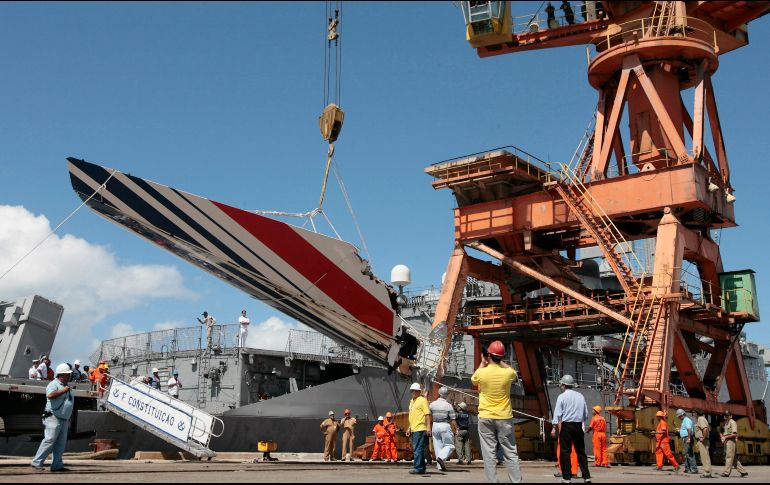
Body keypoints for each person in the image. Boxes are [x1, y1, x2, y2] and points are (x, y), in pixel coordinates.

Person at [470, 340, 523, 483]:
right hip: (504, 417)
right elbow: (513, 372)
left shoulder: (481, 372)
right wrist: (500, 361)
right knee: (510, 452)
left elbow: (474, 380)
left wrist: (483, 362)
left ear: (488, 355)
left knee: (489, 454)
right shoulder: (508, 373)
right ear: (502, 357)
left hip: (485, 416)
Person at [30, 363, 74, 472]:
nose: (69, 376)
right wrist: (64, 391)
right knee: (49, 440)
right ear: (61, 375)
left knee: (60, 443)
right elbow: (50, 395)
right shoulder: (53, 384)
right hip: (53, 417)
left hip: (63, 419)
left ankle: (57, 465)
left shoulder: (66, 386)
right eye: (67, 374)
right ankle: (36, 462)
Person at [552, 374, 591, 483]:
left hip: (567, 426)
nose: (560, 386)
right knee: (581, 452)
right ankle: (586, 477)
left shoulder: (562, 396)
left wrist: (554, 427)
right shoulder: (580, 396)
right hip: (578, 426)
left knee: (565, 452)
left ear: (564, 385)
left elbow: (557, 414)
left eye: (561, 385)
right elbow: (585, 414)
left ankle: (566, 478)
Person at [429, 386, 456, 472]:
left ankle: (440, 466)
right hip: (444, 425)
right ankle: (441, 457)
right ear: (447, 395)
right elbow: (453, 419)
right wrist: (457, 429)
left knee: (438, 446)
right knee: (450, 445)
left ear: (439, 393)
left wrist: (428, 427)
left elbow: (428, 415)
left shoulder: (432, 404)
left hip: (435, 425)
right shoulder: (448, 406)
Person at [406, 382, 430, 475]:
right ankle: (421, 467)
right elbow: (412, 416)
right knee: (418, 449)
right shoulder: (412, 401)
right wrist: (409, 428)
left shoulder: (422, 400)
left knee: (417, 449)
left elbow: (427, 414)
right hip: (414, 428)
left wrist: (428, 427)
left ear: (419, 391)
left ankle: (418, 468)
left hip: (420, 428)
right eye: (412, 391)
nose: (413, 392)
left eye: (415, 391)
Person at [720, 411, 748, 477]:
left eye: (727, 415)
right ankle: (743, 472)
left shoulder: (732, 422)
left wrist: (725, 437)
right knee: (733, 458)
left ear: (731, 416)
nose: (725, 417)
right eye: (725, 415)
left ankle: (726, 472)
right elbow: (725, 432)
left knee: (729, 457)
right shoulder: (726, 423)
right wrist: (723, 437)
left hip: (731, 441)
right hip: (727, 441)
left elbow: (734, 434)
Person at [676, 409, 697, 474]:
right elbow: (686, 429)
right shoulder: (684, 421)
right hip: (686, 438)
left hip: (687, 438)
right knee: (686, 453)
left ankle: (694, 469)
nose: (679, 418)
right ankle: (687, 468)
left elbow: (689, 429)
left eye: (679, 416)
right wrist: (680, 430)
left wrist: (689, 438)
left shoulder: (686, 420)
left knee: (689, 454)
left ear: (682, 415)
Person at [694, 410, 713, 478]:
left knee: (705, 457)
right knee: (705, 456)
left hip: (703, 441)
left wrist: (703, 438)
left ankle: (707, 472)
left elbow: (705, 429)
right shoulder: (702, 419)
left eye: (694, 413)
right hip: (703, 440)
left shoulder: (701, 419)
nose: (693, 415)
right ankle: (707, 472)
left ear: (697, 413)